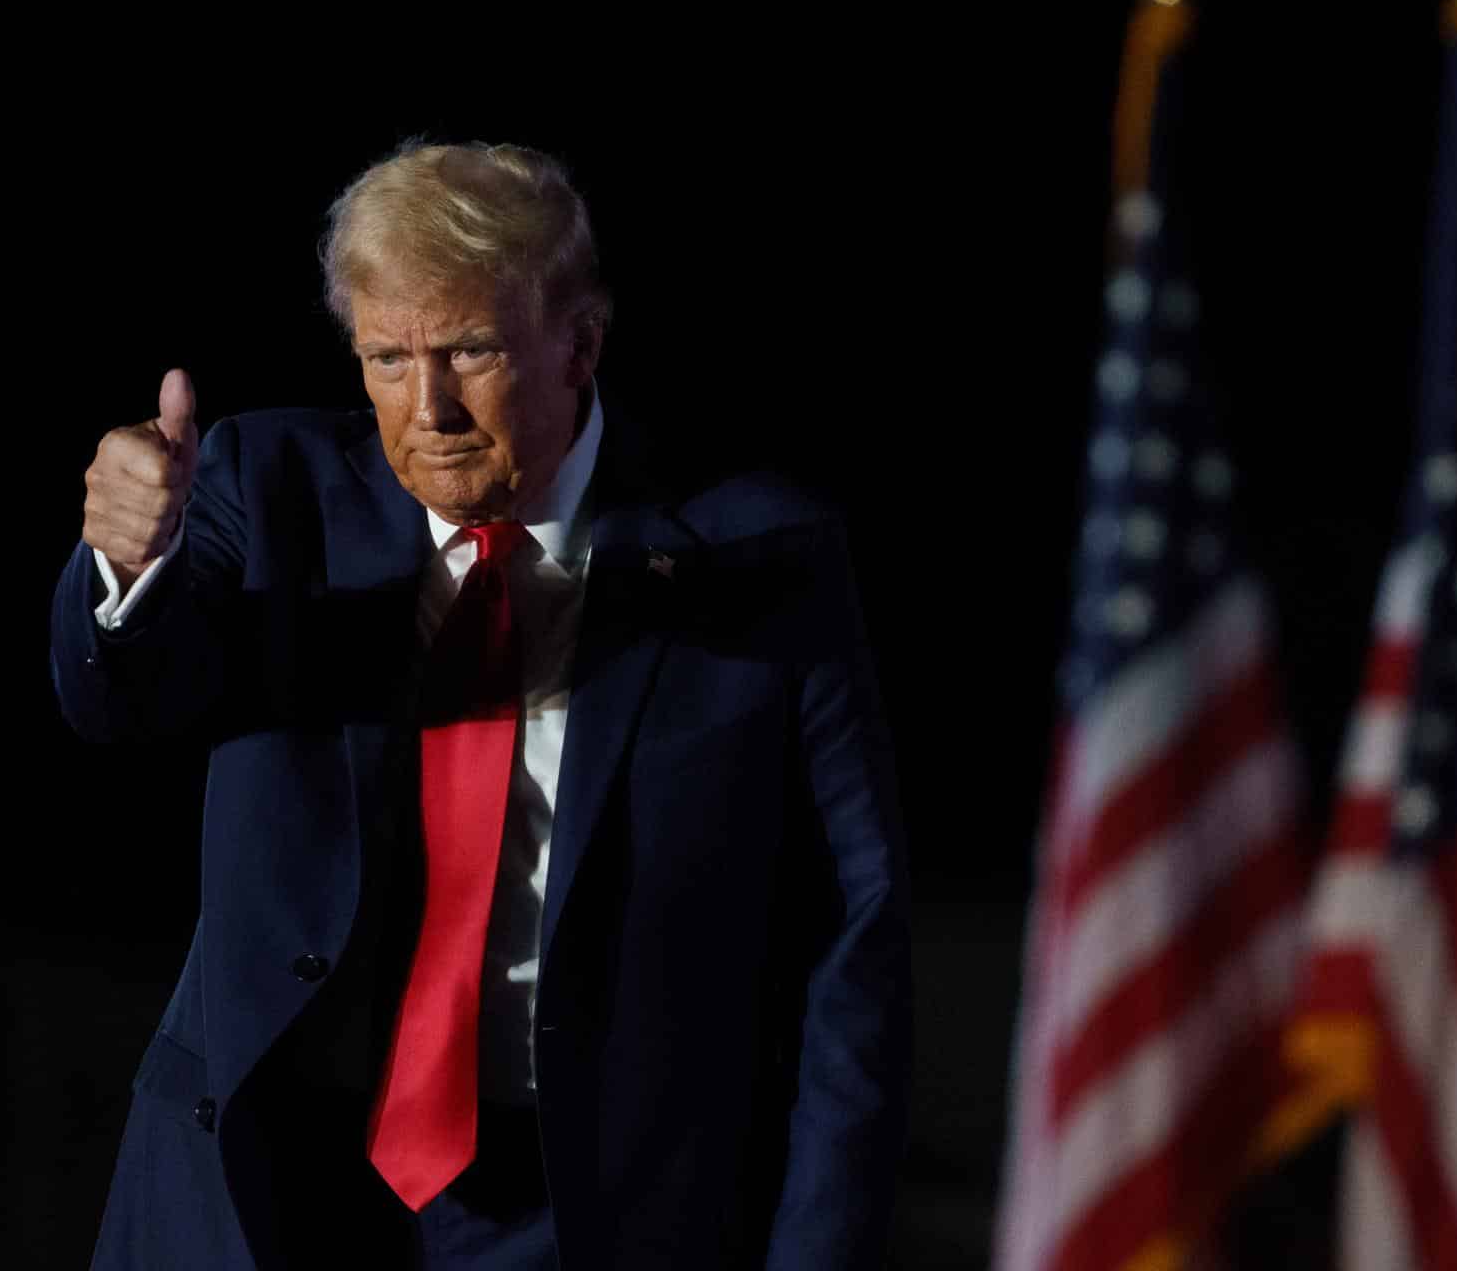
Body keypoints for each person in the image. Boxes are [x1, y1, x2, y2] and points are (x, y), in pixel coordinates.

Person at [51, 140, 912, 1270]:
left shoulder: (760, 557)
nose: (431, 405)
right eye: (388, 357)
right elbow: (122, 697)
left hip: (591, 1213)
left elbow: (853, 949)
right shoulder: (270, 489)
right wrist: (125, 566)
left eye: (470, 349)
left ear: (581, 344)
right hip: (259, 1192)